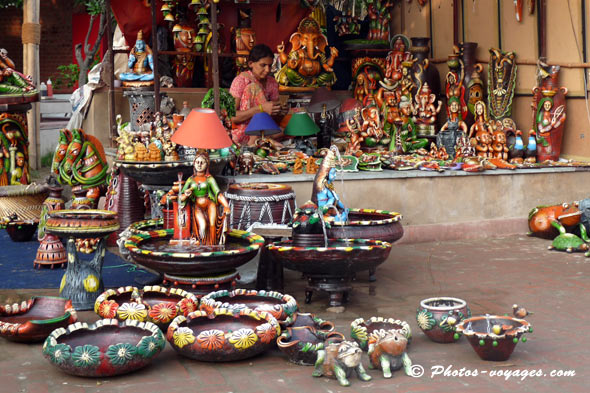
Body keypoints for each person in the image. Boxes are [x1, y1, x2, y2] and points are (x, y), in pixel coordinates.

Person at [229, 44, 287, 146]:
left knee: (297, 118)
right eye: (263, 65)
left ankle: (264, 139)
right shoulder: (241, 80)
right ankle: (257, 141)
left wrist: (280, 111)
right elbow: (231, 117)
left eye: (270, 65)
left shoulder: (272, 82)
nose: (267, 70)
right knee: (253, 88)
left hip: (266, 129)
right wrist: (261, 108)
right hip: (245, 131)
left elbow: (274, 118)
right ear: (251, 63)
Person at [180, 150, 230, 246]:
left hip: (210, 204)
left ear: (207, 165)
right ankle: (202, 246)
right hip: (198, 206)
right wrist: (186, 195)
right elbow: (181, 198)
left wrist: (226, 205)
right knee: (202, 226)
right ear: (194, 164)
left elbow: (218, 194)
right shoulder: (190, 180)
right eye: (197, 162)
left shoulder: (210, 179)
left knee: (212, 224)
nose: (199, 165)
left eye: (202, 163)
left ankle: (212, 246)